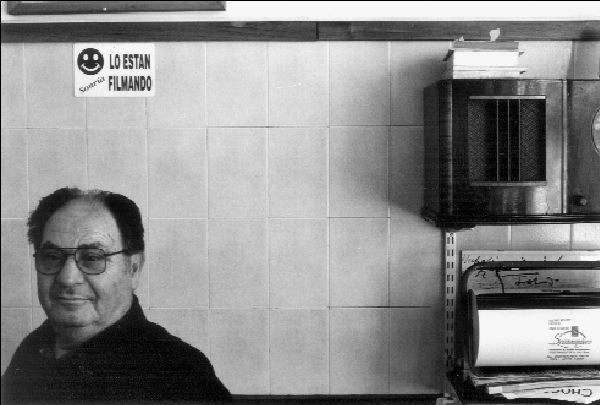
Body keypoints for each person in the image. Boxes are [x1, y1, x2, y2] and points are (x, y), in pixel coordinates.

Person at [1, 187, 231, 402]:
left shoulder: (178, 374)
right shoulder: (33, 349)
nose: (68, 278)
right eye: (52, 257)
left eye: (92, 258)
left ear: (133, 268)